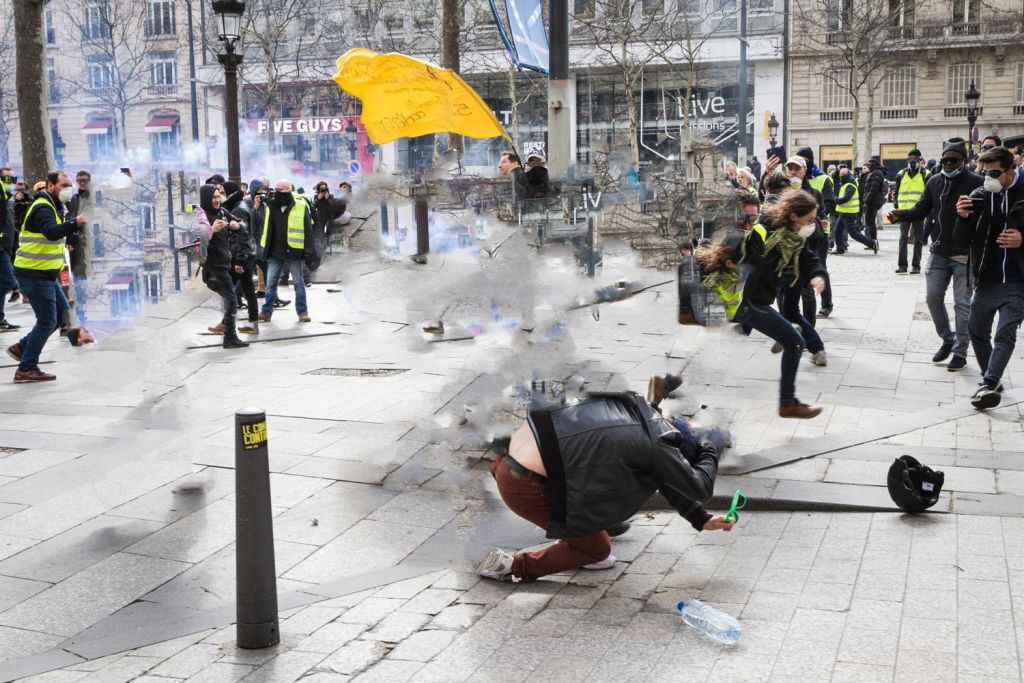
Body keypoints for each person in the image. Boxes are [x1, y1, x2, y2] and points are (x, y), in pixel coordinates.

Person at [477, 382, 733, 583]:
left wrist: (700, 518)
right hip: (521, 484)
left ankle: (585, 532)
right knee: (598, 551)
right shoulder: (659, 447)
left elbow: (663, 478)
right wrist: (709, 448)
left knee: (611, 487)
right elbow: (701, 487)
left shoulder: (636, 405)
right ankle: (510, 565)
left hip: (511, 453)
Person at [889, 139, 981, 372]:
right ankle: (947, 339)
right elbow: (922, 209)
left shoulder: (976, 183)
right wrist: (901, 214)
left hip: (964, 254)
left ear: (964, 161)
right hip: (939, 251)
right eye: (945, 160)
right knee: (932, 298)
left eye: (954, 160)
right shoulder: (934, 181)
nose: (948, 164)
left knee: (962, 305)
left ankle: (960, 352)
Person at [736, 189, 828, 418]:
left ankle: (667, 382)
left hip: (758, 299)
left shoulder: (794, 236)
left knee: (723, 345)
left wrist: (817, 275)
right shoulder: (763, 232)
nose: (811, 224)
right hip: (747, 300)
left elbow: (808, 257)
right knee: (795, 342)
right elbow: (741, 261)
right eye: (808, 219)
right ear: (793, 216)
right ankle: (787, 402)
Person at [954, 146, 1024, 409]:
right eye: (984, 171)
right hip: (987, 278)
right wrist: (961, 218)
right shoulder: (980, 195)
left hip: (1018, 281)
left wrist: (1022, 240)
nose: (988, 178)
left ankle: (988, 383)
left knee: (1005, 333)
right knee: (976, 330)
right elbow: (961, 242)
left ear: (1010, 171)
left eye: (994, 172)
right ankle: (991, 379)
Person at [6, 171, 86, 382]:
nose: (68, 189)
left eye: (70, 185)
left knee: (60, 314)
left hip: (45, 273)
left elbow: (54, 235)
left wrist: (72, 235)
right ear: (50, 185)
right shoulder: (43, 207)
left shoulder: (54, 205)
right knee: (47, 320)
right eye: (64, 185)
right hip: (34, 273)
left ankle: (23, 347)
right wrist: (74, 223)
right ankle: (26, 367)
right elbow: (51, 232)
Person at [780, 156, 830, 334]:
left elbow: (822, 214)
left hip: (807, 246)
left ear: (804, 171)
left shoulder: (814, 192)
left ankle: (809, 330)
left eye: (797, 169)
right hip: (785, 249)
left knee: (807, 292)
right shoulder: (782, 191)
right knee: (783, 292)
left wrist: (819, 221)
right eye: (790, 169)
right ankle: (786, 329)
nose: (793, 172)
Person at [197, 184, 249, 349]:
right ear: (206, 199)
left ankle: (229, 334)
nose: (217, 200)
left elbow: (242, 226)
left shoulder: (222, 212)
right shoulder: (201, 216)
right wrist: (212, 229)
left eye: (219, 196)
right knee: (232, 299)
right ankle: (229, 336)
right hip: (212, 267)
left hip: (223, 264)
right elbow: (197, 243)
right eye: (213, 197)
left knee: (230, 299)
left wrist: (237, 226)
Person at [258, 179, 314, 323]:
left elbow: (308, 229)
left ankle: (303, 312)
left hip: (295, 250)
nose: (278, 193)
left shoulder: (301, 205)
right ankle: (266, 312)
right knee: (270, 282)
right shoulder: (271, 205)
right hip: (275, 250)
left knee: (298, 282)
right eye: (276, 190)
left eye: (281, 190)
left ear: (289, 191)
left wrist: (308, 250)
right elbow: (266, 227)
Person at [796, 148, 836, 318]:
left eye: (806, 161)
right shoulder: (792, 181)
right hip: (799, 232)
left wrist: (818, 217)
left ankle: (827, 304)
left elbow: (829, 202)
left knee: (820, 268)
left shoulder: (824, 179)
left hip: (818, 233)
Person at [891, 149, 929, 274]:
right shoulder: (901, 174)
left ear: (920, 160)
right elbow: (896, 191)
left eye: (915, 159)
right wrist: (896, 203)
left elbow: (929, 193)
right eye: (910, 159)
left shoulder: (926, 174)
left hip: (919, 211)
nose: (913, 161)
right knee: (903, 238)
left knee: (918, 239)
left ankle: (916, 266)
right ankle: (902, 265)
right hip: (903, 211)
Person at [833, 166, 878, 256]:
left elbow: (845, 198)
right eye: (840, 174)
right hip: (843, 213)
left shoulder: (851, 185)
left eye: (843, 174)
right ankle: (840, 249)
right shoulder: (845, 184)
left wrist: (834, 199)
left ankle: (872, 243)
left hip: (849, 213)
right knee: (837, 231)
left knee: (854, 234)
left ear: (848, 175)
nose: (841, 176)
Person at [0, 168, 19, 331]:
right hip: (1, 247)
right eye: (8, 179)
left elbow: (9, 225)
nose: (11, 183)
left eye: (14, 179)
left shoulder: (7, 199)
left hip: (7, 246)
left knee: (4, 284)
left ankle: (0, 319)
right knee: (10, 280)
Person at [861, 155, 887, 240]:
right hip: (871, 201)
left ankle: (873, 241)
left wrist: (866, 201)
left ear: (875, 163)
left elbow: (873, 190)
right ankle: (871, 241)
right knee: (869, 222)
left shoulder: (877, 173)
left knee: (870, 223)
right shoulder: (873, 172)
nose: (870, 163)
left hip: (872, 202)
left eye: (872, 162)